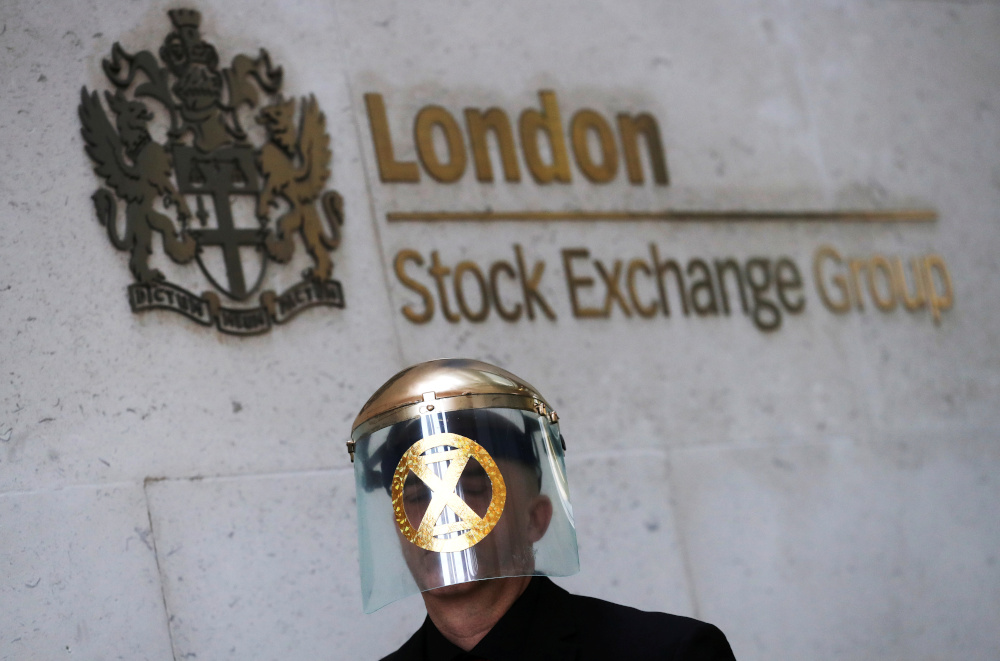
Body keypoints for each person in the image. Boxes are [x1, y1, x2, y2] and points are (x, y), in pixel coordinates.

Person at [347, 358, 736, 660]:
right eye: (417, 497)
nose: (445, 515)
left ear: (536, 519)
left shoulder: (664, 658)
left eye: (476, 488)